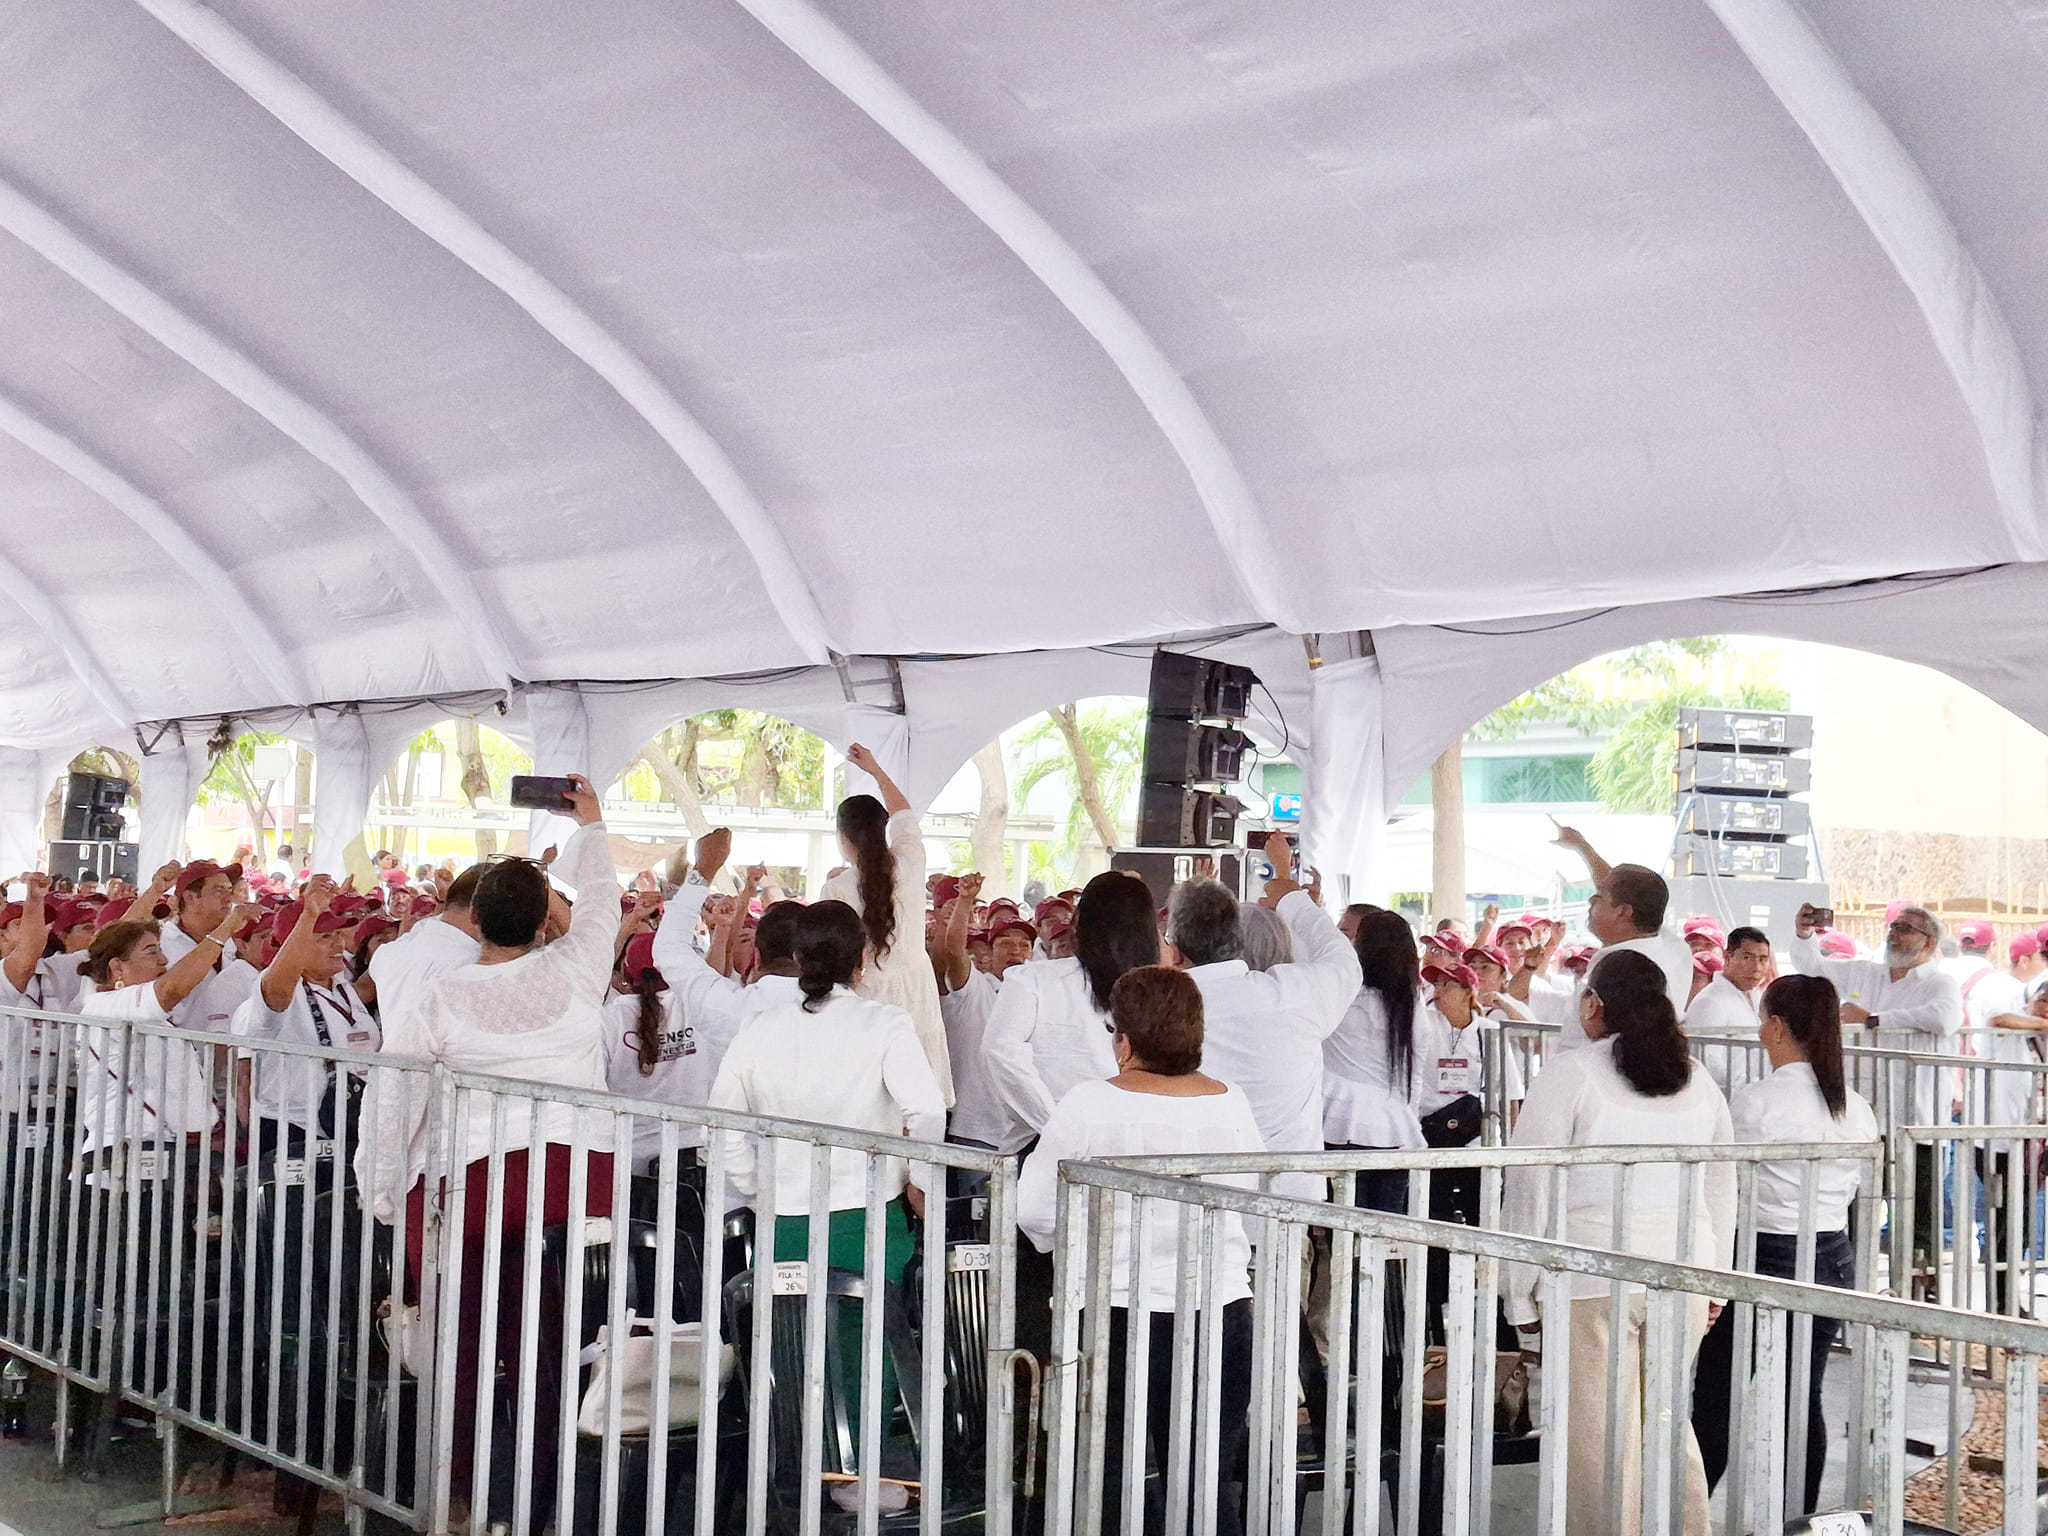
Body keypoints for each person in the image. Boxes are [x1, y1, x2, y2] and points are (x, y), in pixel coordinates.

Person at [402, 774, 620, 1531]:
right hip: (581, 1180)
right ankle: (557, 1482)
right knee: (568, 1337)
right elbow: (603, 904)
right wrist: (591, 824)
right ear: (541, 922)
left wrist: (382, 1184)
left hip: (480, 1183)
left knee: (465, 1339)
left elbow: (399, 1100)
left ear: (475, 922)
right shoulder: (579, 967)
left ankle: (460, 1486)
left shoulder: (441, 995)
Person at [1017, 967, 1265, 1536]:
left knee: (1105, 1482)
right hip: (1221, 1312)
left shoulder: (1088, 1103)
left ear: (1124, 1039)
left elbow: (1032, 1208)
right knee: (1205, 1480)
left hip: (1114, 1315)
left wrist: (1069, 1251)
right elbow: (1249, 1196)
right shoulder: (1232, 1102)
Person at [1503, 950, 1734, 1536]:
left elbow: (1529, 1187)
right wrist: (1715, 1279)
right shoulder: (1698, 1078)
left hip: (1589, 1281)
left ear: (1596, 1006)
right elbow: (1721, 1184)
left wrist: (1518, 1295)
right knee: (1665, 1425)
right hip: (1682, 1274)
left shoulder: (1571, 1074)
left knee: (1596, 1442)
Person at [1691, 973, 1878, 1513]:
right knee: (1803, 1395)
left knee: (1719, 1395)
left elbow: (1723, 1182)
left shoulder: (1755, 1103)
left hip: (1761, 1255)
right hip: (1829, 1256)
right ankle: (1801, 1518)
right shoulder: (1855, 1107)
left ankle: (1689, 1513)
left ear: (1773, 1026)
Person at [710, 899, 945, 1284]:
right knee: (867, 1337)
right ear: (863, 959)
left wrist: (758, 1189)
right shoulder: (885, 1023)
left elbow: (720, 1127)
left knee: (790, 1337)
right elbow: (928, 1112)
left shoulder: (758, 1027)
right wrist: (920, 1181)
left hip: (784, 1219)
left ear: (798, 958)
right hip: (869, 1213)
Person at [1167, 833, 1360, 1200]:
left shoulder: (1155, 1008)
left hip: (1195, 1205)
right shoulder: (1291, 997)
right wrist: (1290, 894)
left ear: (1174, 952)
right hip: (1287, 1203)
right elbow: (1343, 963)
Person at [1790, 900, 1960, 1281]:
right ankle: (1853, 1286)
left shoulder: (1940, 982)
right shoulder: (1866, 972)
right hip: (1865, 1117)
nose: (1894, 933)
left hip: (1916, 1120)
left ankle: (1919, 1295)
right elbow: (1811, 966)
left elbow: (1945, 1018)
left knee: (1919, 1213)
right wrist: (1804, 934)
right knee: (1855, 1207)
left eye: (1906, 928)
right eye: (1894, 926)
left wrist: (1875, 1020)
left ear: (1929, 942)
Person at [982, 871, 1160, 1138]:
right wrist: (1057, 1126)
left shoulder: (1034, 979)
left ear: (1079, 925)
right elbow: (999, 1050)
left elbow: (999, 1049)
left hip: (1109, 1142)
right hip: (1071, 1143)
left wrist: (1058, 1126)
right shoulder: (1034, 979)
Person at [821, 744, 951, 1105]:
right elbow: (904, 815)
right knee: (921, 1105)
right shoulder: (911, 862)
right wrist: (876, 770)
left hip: (865, 1002)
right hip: (917, 997)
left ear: (843, 840)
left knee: (873, 1106)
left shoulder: (836, 888)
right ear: (883, 831)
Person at [354, 866, 483, 1216]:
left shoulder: (393, 952)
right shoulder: (473, 963)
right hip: (458, 1133)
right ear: (480, 913)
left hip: (406, 1118)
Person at [230, 876, 380, 1160]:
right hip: (292, 1130)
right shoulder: (281, 992)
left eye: (338, 935)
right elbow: (277, 987)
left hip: (347, 1128)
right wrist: (308, 914)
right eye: (325, 937)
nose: (338, 943)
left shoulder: (343, 988)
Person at [1321, 909, 1426, 1209]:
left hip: (1339, 1121)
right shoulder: (1413, 1006)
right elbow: (1415, 1077)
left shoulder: (1344, 999)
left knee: (1343, 1230)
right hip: (1395, 1126)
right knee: (1385, 1232)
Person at [1550, 826, 1695, 1034]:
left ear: (1623, 912)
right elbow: (1621, 888)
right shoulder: (1672, 947)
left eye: (1600, 896)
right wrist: (1582, 847)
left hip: (1604, 1063)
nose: (1592, 899)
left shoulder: (1628, 967)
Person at [933, 873, 1034, 1152]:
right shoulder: (976, 988)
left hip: (1026, 1131)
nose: (1016, 950)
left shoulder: (1037, 996)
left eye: (1024, 945)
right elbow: (954, 950)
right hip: (976, 1131)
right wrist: (965, 901)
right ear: (988, 955)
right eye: (1005, 943)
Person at [1684, 925, 1772, 1093]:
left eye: (1763, 959)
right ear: (1727, 957)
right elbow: (1707, 1063)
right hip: (1726, 1100)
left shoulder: (1759, 998)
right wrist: (1750, 1088)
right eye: (1748, 957)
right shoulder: (1710, 1002)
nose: (1757, 967)